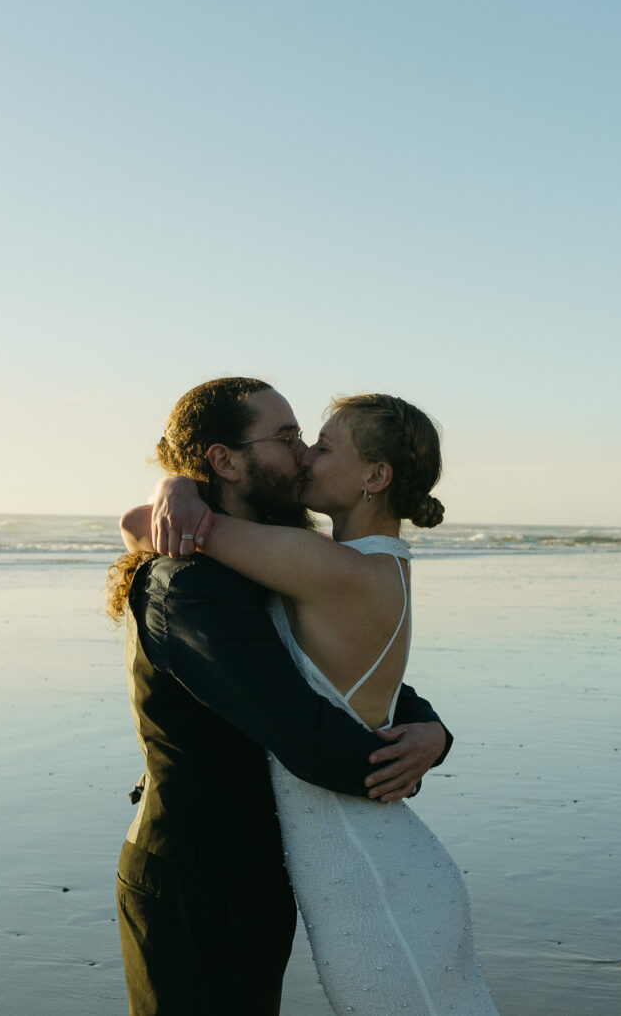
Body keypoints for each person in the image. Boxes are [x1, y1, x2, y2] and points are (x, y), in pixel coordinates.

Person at [129, 391, 500, 1015]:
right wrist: (425, 738)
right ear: (226, 459)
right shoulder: (214, 582)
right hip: (221, 873)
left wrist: (174, 492)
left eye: (319, 445)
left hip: (348, 874)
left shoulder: (321, 566)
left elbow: (317, 692)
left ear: (374, 477)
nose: (304, 455)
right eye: (292, 439)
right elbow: (312, 705)